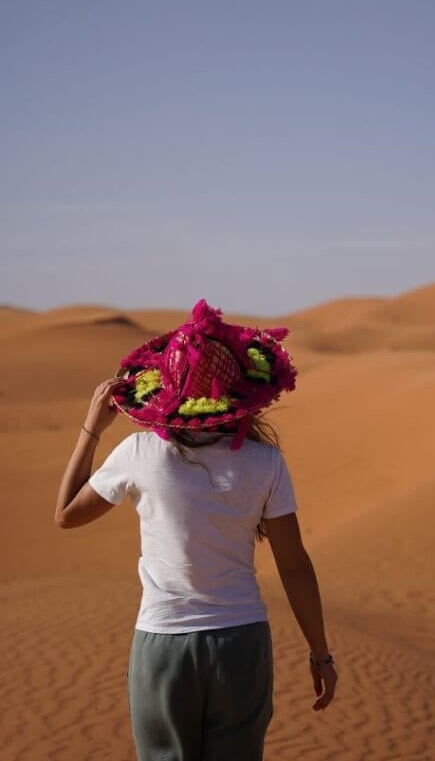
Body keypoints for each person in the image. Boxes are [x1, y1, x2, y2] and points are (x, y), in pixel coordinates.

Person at [54, 299, 337, 761]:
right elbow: (294, 565)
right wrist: (320, 654)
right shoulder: (265, 462)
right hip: (240, 646)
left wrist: (92, 427)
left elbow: (66, 513)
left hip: (163, 646)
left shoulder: (139, 452)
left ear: (165, 387)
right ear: (237, 389)